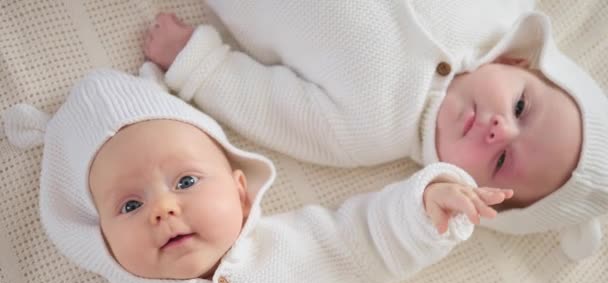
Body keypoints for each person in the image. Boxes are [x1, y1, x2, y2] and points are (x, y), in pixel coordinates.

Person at [3, 70, 512, 283]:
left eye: (184, 180)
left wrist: (425, 205)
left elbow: (378, 233)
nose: (162, 208)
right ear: (102, 244)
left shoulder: (308, 243)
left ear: (241, 188)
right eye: (130, 206)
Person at [142, 1, 608, 260]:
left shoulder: (367, 132)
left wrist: (197, 61)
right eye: (521, 106)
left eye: (502, 160)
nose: (498, 129)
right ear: (520, 62)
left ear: (472, 188)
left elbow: (273, 107)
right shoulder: (490, 12)